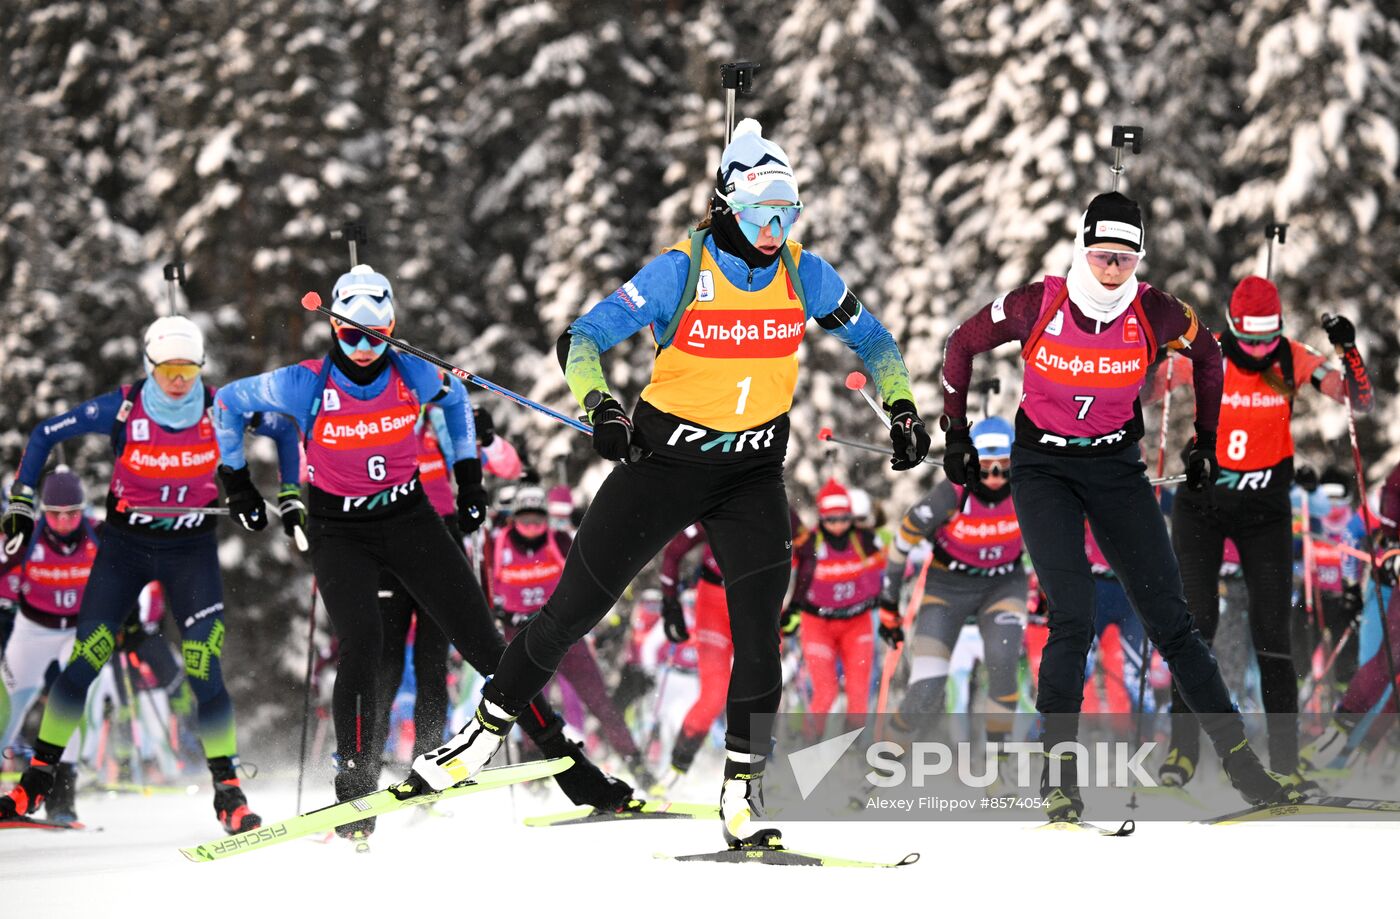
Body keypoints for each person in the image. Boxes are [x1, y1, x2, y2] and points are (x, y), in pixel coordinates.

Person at [408, 118, 930, 845]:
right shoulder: (681, 270)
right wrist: (603, 408)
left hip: (751, 473)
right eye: (759, 213)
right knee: (570, 613)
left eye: (787, 212)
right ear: (726, 206)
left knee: (759, 638)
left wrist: (902, 405)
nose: (774, 228)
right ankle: (481, 733)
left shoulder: (805, 273)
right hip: (662, 466)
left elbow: (874, 340)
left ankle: (742, 790)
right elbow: (580, 339)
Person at [211, 265, 633, 843]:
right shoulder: (304, 382)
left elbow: (456, 398)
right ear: (333, 329)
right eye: (349, 335)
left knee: (490, 646)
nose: (362, 348)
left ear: (392, 326)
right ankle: (355, 785)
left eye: (375, 335)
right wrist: (235, 480)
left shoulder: (413, 370)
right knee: (363, 643)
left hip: (409, 517)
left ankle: (571, 765)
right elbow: (229, 403)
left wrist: (469, 479)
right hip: (339, 530)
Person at [938, 191, 1299, 822]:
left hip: (1114, 467)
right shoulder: (1038, 301)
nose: (1112, 269)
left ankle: (1245, 767)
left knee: (1172, 620)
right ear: (1083, 248)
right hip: (1043, 467)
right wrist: (957, 432)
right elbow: (961, 344)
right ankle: (1059, 777)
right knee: (1071, 615)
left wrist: (1205, 441)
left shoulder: (1155, 310)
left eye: (1125, 258)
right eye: (1102, 255)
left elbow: (1210, 355)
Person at [0, 316, 303, 832]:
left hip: (190, 551)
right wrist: (23, 503)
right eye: (167, 370)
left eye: (187, 368)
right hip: (125, 549)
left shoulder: (218, 405)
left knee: (204, 667)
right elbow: (46, 433)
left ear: (200, 366)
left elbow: (281, 428)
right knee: (87, 659)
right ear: (149, 367)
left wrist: (289, 496)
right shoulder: (123, 407)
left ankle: (228, 791)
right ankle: (38, 780)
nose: (178, 380)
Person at [1148, 276, 1371, 786]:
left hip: (1266, 511)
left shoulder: (1292, 359)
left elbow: (1358, 401)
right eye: (1247, 340)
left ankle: (1286, 764)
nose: (1257, 349)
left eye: (1266, 338)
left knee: (1273, 635)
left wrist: (1350, 351)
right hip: (1203, 506)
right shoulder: (1207, 355)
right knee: (1195, 627)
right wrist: (1156, 355)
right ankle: (1181, 753)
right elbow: (1148, 389)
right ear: (1230, 328)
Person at [481, 484, 655, 788]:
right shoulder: (498, 543)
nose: (532, 527)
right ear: (513, 520)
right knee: (531, 706)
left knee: (599, 700)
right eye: (525, 520)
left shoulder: (559, 540)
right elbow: (486, 587)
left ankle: (637, 765)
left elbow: (584, 577)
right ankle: (533, 775)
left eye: (538, 520)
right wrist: (494, 613)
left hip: (561, 633)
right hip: (519, 635)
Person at [877, 418, 1026, 763]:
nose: (995, 477)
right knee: (927, 687)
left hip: (1003, 585)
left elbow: (1060, 538)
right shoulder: (954, 491)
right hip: (948, 587)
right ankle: (884, 764)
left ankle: (998, 767)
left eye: (1004, 467)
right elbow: (901, 543)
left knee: (1003, 665)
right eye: (986, 467)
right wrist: (889, 604)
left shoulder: (1027, 488)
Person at [0, 470, 101, 822]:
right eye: (54, 513)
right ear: (43, 511)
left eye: (71, 513)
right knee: (5, 707)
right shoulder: (25, 539)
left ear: (83, 510)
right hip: (33, 630)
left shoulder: (97, 535)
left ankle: (61, 801)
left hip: (76, 632)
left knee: (68, 705)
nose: (63, 521)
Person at [1300, 462, 1400, 772]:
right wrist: (1351, 588)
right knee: (1382, 663)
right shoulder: (1390, 490)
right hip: (1386, 589)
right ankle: (1340, 749)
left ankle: (1365, 751)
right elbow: (1352, 534)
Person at [788, 480, 880, 739]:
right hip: (818, 623)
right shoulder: (811, 542)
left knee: (859, 692)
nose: (838, 525)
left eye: (843, 518)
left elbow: (884, 570)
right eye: (830, 519)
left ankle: (850, 748)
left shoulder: (864, 540)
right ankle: (810, 742)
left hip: (857, 622)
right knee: (825, 691)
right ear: (821, 517)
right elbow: (788, 568)